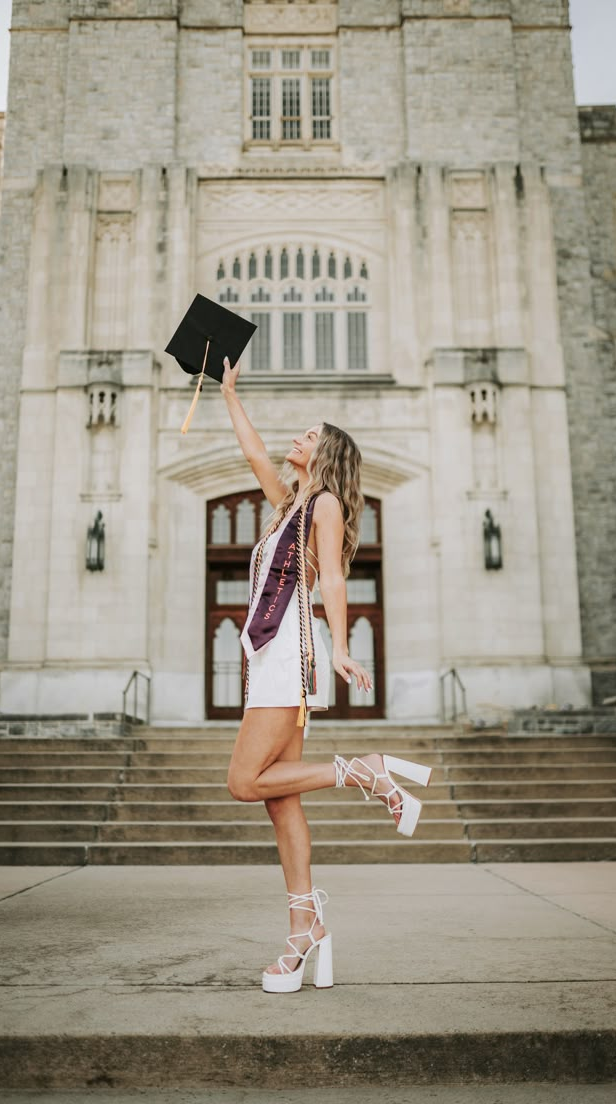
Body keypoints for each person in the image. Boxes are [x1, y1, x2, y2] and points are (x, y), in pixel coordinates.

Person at [221, 356, 432, 994]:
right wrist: (229, 393)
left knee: (242, 782)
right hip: (268, 656)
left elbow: (334, 578)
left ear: (326, 453)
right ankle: (303, 931)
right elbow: (256, 453)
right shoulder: (290, 503)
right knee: (280, 800)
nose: (296, 440)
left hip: (290, 649)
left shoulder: (327, 505)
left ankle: (360, 769)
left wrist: (342, 646)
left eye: (308, 436)